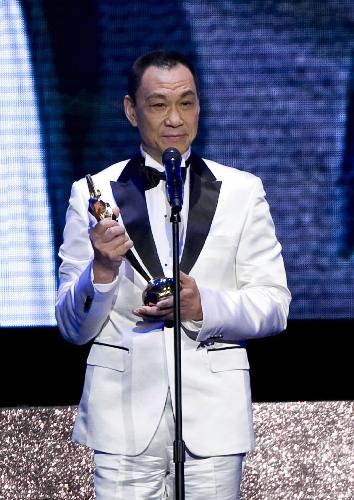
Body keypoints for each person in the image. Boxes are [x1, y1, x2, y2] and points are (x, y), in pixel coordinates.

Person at [56, 50, 291, 500]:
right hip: (122, 418)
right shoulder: (92, 193)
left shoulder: (244, 192)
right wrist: (102, 270)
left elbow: (275, 305)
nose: (174, 119)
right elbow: (72, 326)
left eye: (186, 102)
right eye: (159, 104)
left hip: (213, 419)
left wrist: (206, 306)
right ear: (131, 110)